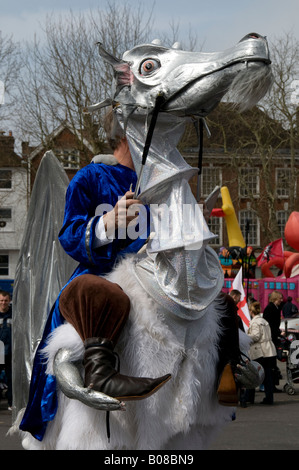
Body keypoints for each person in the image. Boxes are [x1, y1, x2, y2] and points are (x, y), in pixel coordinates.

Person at [20, 108, 171, 441]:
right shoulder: (90, 178)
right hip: (104, 279)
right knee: (88, 310)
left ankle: (228, 370)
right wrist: (107, 225)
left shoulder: (163, 185)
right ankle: (94, 374)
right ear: (123, 135)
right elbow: (70, 236)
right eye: (145, 131)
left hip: (155, 283)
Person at [247, 301, 277, 405]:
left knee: (253, 375)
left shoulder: (255, 322)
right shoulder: (264, 320)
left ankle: (249, 397)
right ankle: (269, 398)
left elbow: (256, 336)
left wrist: (245, 336)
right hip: (269, 350)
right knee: (267, 376)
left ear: (251, 311)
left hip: (260, 352)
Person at [0, 290, 12, 410]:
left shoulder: (14, 315)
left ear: (9, 301)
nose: (3, 303)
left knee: (10, 378)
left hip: (10, 351)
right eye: (1, 300)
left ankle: (10, 403)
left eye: (6, 300)